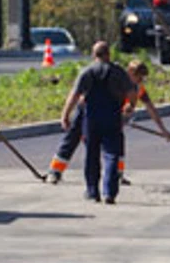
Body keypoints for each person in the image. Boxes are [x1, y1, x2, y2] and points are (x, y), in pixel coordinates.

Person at [48, 59, 169, 187]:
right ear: (130, 72)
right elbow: (85, 94)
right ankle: (55, 172)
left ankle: (116, 175)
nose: (140, 81)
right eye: (139, 77)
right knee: (73, 137)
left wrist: (163, 130)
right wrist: (67, 114)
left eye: (142, 79)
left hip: (110, 117)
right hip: (87, 111)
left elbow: (150, 107)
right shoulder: (116, 78)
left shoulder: (137, 88)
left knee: (116, 145)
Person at [58, 41, 135, 203]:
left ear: (94, 55)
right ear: (108, 54)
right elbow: (131, 91)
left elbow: (74, 95)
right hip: (112, 117)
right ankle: (109, 192)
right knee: (112, 154)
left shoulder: (87, 72)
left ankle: (92, 191)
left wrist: (65, 115)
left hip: (91, 119)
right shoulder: (118, 71)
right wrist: (130, 106)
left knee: (91, 155)